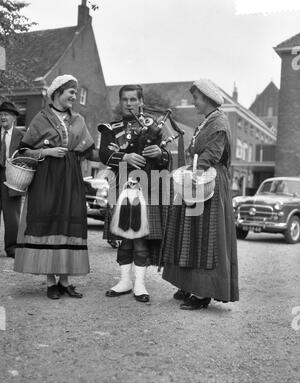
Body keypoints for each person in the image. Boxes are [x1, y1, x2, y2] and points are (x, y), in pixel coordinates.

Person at [14, 75, 94, 300]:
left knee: (69, 224)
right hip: (46, 179)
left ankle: (65, 281)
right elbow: (22, 151)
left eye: (76, 93)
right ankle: (51, 282)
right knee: (48, 223)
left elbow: (88, 149)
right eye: (71, 92)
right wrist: (46, 152)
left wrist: (116, 154)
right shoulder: (40, 119)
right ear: (57, 92)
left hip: (71, 178)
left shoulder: (78, 119)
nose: (74, 97)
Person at [161, 79, 239, 310]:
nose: (194, 102)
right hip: (199, 178)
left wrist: (191, 174)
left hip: (210, 182)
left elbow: (211, 155)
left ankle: (204, 292)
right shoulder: (207, 122)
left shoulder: (219, 123)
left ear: (207, 99)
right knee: (192, 231)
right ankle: (189, 284)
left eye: (196, 98)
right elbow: (194, 153)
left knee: (207, 235)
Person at [99, 84, 171, 303]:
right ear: (120, 102)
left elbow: (166, 160)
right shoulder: (110, 127)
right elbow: (104, 154)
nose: (129, 103)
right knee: (124, 237)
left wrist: (160, 153)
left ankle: (140, 283)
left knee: (140, 236)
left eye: (133, 99)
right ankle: (124, 281)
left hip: (148, 187)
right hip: (121, 186)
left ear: (141, 102)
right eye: (125, 100)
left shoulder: (155, 126)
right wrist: (125, 157)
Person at [0, 101, 24, 258]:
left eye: (6, 114)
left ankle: (12, 247)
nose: (2, 116)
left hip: (12, 176)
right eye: (1, 114)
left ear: (14, 118)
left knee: (12, 214)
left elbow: (26, 156)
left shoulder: (21, 135)